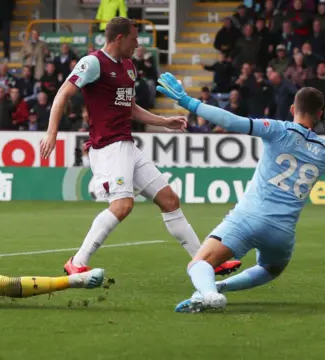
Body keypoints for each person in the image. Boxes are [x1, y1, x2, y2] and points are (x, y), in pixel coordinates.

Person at [156, 73, 325, 313]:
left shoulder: (277, 129)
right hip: (281, 233)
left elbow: (230, 121)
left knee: (199, 263)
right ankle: (220, 287)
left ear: (292, 109)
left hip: (247, 218)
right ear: (320, 114)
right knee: (271, 269)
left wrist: (188, 102)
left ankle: (208, 293)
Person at [39, 17, 241, 276]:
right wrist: (52, 132)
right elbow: (62, 94)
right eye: (134, 38)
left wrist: (164, 122)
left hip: (127, 145)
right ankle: (77, 262)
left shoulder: (129, 67)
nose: (137, 43)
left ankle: (205, 261)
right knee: (122, 206)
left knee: (169, 200)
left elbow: (130, 108)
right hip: (108, 147)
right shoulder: (92, 63)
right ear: (119, 38)